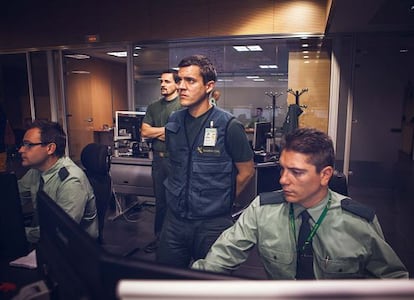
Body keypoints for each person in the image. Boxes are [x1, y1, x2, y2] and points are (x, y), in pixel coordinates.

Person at [192, 128, 408, 279]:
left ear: (325, 175)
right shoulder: (262, 209)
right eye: (282, 169)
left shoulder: (358, 222)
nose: (283, 180)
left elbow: (393, 280)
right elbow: (219, 260)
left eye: (296, 172)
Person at [156, 55, 255, 268]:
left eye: (190, 81)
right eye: (179, 80)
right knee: (166, 281)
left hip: (212, 224)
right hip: (175, 220)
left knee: (211, 286)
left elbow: (247, 171)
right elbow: (175, 164)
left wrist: (223, 200)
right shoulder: (174, 121)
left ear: (209, 86)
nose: (181, 86)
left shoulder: (229, 126)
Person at [18, 120, 98, 243]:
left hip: (75, 249)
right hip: (46, 242)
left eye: (28, 145)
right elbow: (13, 197)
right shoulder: (36, 171)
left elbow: (60, 230)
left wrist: (16, 233)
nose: (21, 150)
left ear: (50, 148)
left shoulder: (71, 180)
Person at [141, 69, 181, 253]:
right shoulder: (153, 107)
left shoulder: (183, 106)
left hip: (177, 161)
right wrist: (165, 131)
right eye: (161, 82)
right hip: (159, 160)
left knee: (177, 201)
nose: (163, 85)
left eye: (167, 81)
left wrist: (158, 131)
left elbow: (179, 132)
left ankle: (177, 240)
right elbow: (144, 132)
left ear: (176, 84)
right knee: (161, 202)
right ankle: (159, 239)